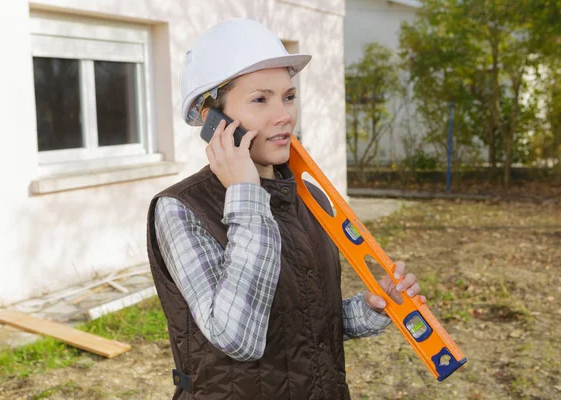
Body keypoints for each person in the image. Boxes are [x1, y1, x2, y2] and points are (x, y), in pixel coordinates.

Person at [146, 18, 426, 400]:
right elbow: (237, 337)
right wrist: (245, 193)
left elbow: (301, 317)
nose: (284, 116)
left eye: (289, 96)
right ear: (213, 118)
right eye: (261, 99)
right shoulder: (180, 209)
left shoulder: (309, 198)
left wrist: (373, 308)